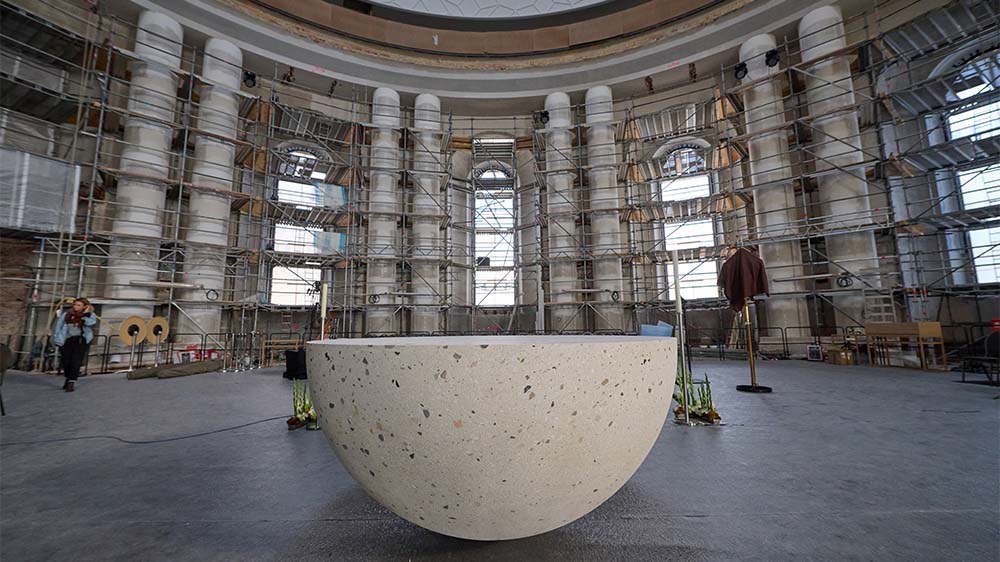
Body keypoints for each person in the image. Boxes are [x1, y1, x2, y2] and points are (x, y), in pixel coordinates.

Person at [53, 298, 97, 392]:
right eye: (75, 304)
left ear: (85, 306)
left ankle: (71, 382)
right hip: (67, 340)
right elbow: (59, 327)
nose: (75, 307)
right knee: (66, 361)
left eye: (79, 305)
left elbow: (91, 323)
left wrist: (85, 315)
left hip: (81, 340)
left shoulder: (89, 315)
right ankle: (68, 377)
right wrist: (57, 338)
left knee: (76, 361)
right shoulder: (67, 315)